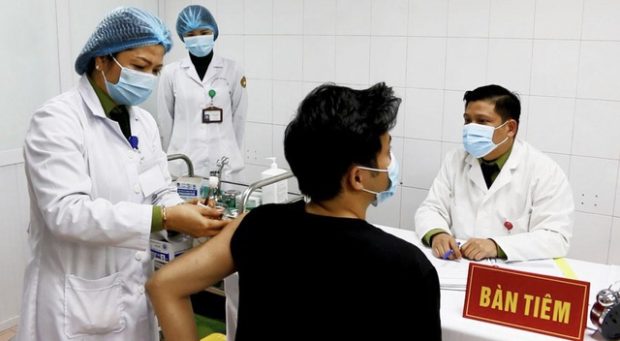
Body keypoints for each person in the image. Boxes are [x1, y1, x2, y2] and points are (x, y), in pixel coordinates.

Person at [147, 83, 442, 341]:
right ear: (357, 177)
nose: (390, 162)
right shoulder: (407, 265)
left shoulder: (258, 224)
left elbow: (165, 285)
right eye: (387, 152)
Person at [16, 7, 228, 340]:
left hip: (131, 289)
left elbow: (159, 189)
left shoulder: (143, 122)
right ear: (101, 60)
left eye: (156, 70)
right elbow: (66, 214)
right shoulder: (57, 120)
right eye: (139, 66)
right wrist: (166, 218)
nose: (148, 78)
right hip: (75, 298)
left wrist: (186, 209)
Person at [415, 84, 574, 262]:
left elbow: (556, 237)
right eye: (467, 120)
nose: (470, 128)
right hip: (457, 264)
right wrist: (438, 234)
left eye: (482, 121)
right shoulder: (455, 159)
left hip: (510, 275)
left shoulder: (544, 171)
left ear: (510, 128)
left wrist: (496, 246)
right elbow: (431, 208)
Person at [157, 5, 247, 180]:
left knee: (225, 207)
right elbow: (165, 120)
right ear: (183, 37)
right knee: (187, 206)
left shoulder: (232, 69)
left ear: (214, 32)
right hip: (184, 162)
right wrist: (174, 155)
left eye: (204, 32)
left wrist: (229, 148)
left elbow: (239, 117)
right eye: (190, 34)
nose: (198, 38)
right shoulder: (171, 72)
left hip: (225, 164)